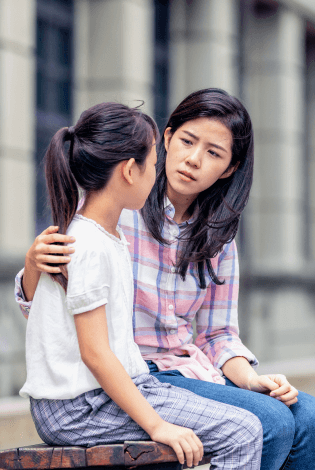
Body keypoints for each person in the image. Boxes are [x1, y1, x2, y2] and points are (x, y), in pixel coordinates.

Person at [15, 89, 315, 469]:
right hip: (130, 375)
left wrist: (253, 380)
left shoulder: (219, 234)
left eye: (213, 153)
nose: (193, 159)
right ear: (168, 139)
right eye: (187, 142)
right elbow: (48, 311)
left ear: (229, 168)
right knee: (268, 422)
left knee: (307, 416)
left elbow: (217, 333)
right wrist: (33, 264)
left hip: (187, 368)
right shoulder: (114, 213)